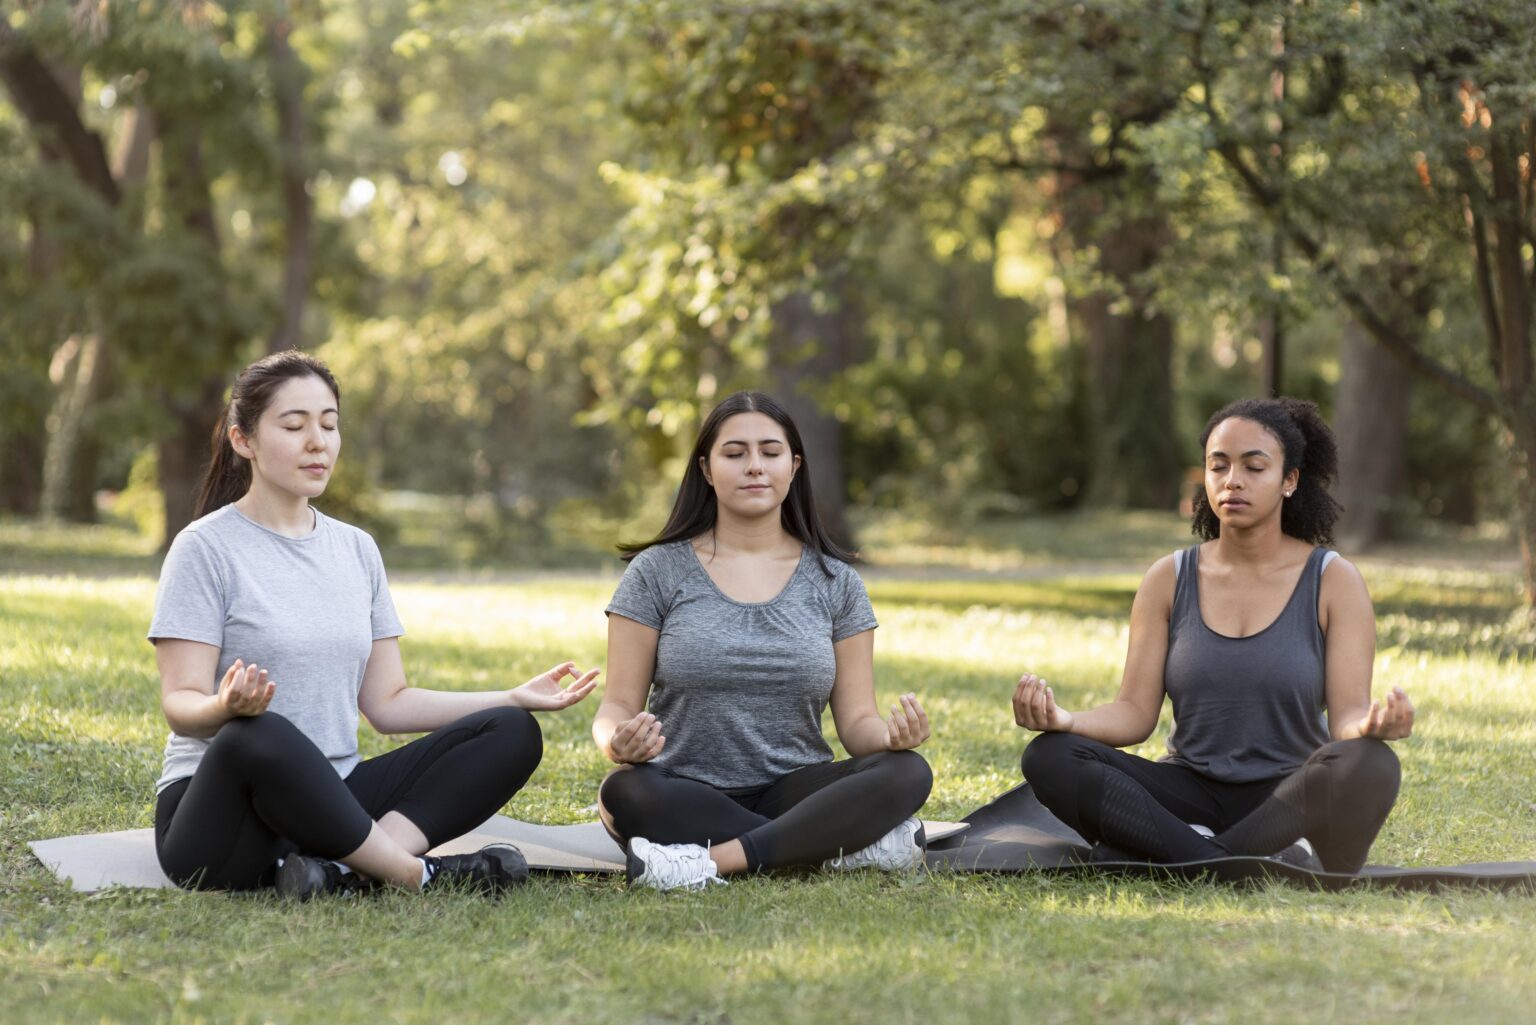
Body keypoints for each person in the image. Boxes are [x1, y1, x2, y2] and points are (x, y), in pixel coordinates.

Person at [150, 350, 598, 898]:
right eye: (294, 425)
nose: (318, 441)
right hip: (224, 824)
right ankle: (413, 874)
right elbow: (181, 705)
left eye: (329, 424)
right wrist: (224, 709)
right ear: (243, 440)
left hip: (336, 805)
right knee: (257, 733)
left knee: (511, 729)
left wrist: (510, 696)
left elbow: (388, 704)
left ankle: (346, 870)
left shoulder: (356, 549)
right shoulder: (205, 548)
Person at [1015, 397, 1413, 874]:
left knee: (1373, 764)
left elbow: (1347, 716)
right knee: (1050, 756)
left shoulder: (1333, 580)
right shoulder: (1168, 577)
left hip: (1289, 797)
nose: (1233, 481)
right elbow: (1134, 714)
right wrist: (1065, 719)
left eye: (1254, 466)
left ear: (1290, 480)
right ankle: (1237, 860)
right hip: (1188, 791)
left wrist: (1370, 730)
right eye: (1218, 466)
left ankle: (1176, 854)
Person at [592, 391, 934, 891]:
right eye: (735, 453)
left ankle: (710, 862)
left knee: (907, 772)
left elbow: (859, 723)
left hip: (796, 790)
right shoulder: (657, 572)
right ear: (707, 469)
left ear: (793, 467)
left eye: (770, 453)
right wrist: (615, 741)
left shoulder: (836, 582)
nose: (755, 467)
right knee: (625, 793)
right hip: (683, 787)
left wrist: (890, 739)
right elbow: (617, 705)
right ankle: (833, 848)